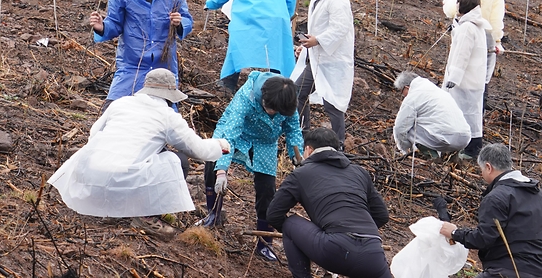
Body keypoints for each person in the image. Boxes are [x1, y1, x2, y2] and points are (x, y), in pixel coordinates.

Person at [48, 68, 229, 230]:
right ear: (169, 95)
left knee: (146, 155)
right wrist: (219, 146)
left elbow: (94, 132)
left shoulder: (120, 103)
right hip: (122, 177)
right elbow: (197, 150)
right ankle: (146, 214)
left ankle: (110, 209)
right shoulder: (168, 116)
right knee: (178, 161)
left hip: (90, 172)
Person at [201, 72, 303, 262]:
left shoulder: (287, 100)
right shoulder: (246, 97)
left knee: (267, 189)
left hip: (265, 143)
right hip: (236, 133)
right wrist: (222, 170)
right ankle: (213, 215)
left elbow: (293, 131)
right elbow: (230, 134)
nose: (272, 112)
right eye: (270, 108)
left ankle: (265, 241)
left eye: (276, 111)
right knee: (212, 163)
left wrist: (298, 158)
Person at [268, 128, 392, 278]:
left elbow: (274, 214)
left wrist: (309, 240)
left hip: (334, 250)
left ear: (308, 149)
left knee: (290, 224)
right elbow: (382, 216)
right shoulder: (360, 172)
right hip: (373, 255)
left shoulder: (300, 175)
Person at [90, 0, 192, 109]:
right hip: (131, 64)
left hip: (164, 67)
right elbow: (115, 23)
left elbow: (187, 19)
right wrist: (102, 27)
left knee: (166, 119)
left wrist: (180, 23)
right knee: (112, 111)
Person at [439, 144, 542, 278]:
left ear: (488, 167)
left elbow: (483, 239)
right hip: (541, 272)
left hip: (507, 271)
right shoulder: (538, 194)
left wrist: (454, 232)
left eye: (481, 169)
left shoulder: (496, 197)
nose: (481, 174)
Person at [205, 0, 297, 92]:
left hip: (249, 20)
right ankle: (281, 86)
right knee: (276, 51)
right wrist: (286, 15)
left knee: (236, 45)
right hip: (277, 21)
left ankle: (228, 82)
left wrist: (208, 5)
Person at [292, 0, 355, 148]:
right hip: (318, 57)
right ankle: (305, 136)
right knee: (298, 92)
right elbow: (319, 26)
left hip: (332, 59)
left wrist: (317, 40)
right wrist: (307, 45)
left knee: (332, 103)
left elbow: (340, 28)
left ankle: (338, 144)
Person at [443, 0, 506, 110]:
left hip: (462, 32)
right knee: (481, 76)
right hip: (484, 38)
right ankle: (477, 108)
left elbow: (451, 10)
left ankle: (452, 105)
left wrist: (446, 3)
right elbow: (496, 22)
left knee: (459, 65)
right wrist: (497, 41)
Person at [443, 0, 491, 160]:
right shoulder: (476, 26)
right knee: (473, 114)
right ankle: (472, 148)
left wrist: (453, 78)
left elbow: (462, 54)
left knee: (462, 114)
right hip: (474, 80)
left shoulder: (468, 28)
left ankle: (468, 149)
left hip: (464, 81)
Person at [392, 71, 470, 158]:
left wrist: (404, 149)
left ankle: (431, 156)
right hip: (464, 138)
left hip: (444, 138)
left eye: (402, 91)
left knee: (408, 126)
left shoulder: (413, 95)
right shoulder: (440, 92)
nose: (403, 95)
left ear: (407, 87)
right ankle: (452, 157)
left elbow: (400, 127)